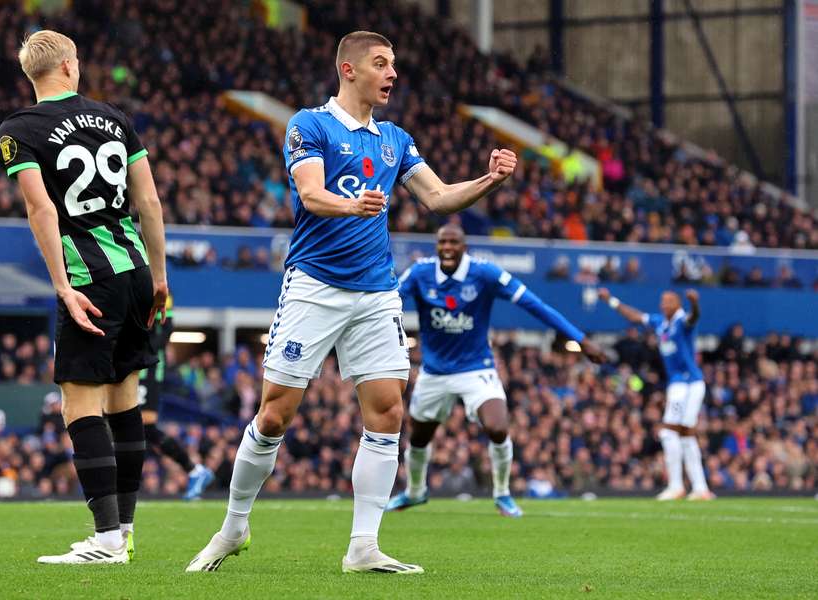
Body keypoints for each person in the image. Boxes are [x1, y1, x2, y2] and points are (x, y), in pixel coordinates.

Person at [186, 31, 518, 575]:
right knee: (274, 414)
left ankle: (363, 546)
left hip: (376, 292)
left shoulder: (395, 138)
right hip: (314, 285)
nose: (392, 74)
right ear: (348, 69)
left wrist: (490, 180)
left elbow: (436, 197)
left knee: (388, 411)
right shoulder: (308, 124)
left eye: (394, 64)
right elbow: (311, 196)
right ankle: (233, 527)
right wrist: (352, 204)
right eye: (381, 64)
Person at [0, 30, 168, 564]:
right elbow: (150, 202)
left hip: (89, 279)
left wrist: (62, 287)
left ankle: (108, 540)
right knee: (124, 401)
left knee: (79, 403)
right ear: (70, 66)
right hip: (136, 270)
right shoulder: (114, 117)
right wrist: (159, 278)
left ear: (34, 74)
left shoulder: (18, 130)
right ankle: (125, 531)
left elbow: (41, 211)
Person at [386, 225, 605, 517]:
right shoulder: (420, 273)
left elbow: (533, 304)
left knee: (498, 427)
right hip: (435, 372)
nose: (447, 247)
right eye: (442, 243)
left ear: (464, 247)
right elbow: (388, 301)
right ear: (437, 247)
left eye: (454, 242)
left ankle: (502, 494)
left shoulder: (485, 273)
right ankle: (415, 492)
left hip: (476, 368)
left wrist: (579, 338)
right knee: (419, 437)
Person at [598, 287, 714, 501]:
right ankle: (699, 488)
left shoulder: (681, 322)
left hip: (688, 383)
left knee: (670, 432)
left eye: (668, 301)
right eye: (662, 301)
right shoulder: (661, 323)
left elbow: (694, 318)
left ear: (678, 304)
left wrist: (695, 303)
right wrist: (610, 301)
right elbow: (634, 316)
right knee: (685, 435)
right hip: (679, 384)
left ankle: (678, 486)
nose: (663, 304)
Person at [138, 293, 214, 500]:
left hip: (146, 369)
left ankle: (194, 470)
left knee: (145, 426)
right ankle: (194, 470)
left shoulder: (159, 288)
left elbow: (167, 327)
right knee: (130, 425)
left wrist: (145, 352)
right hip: (130, 364)